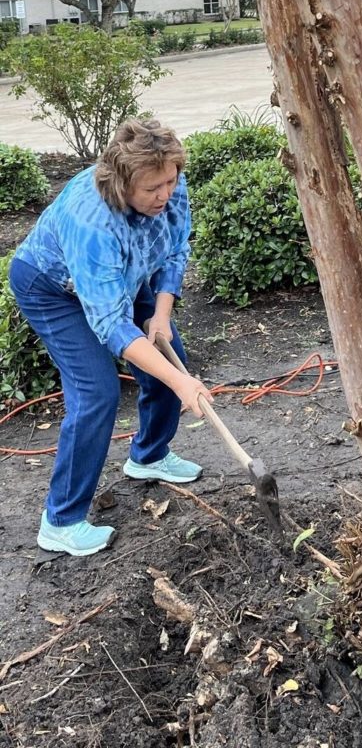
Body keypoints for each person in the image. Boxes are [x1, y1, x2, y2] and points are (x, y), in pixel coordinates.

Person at [9, 118, 214, 557]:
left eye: (170, 182)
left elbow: (175, 248)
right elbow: (110, 324)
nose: (165, 194)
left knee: (167, 356)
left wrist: (161, 314)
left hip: (126, 273)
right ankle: (61, 521)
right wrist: (182, 383)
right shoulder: (93, 223)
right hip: (52, 288)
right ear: (123, 185)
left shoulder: (167, 182)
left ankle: (149, 456)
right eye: (152, 189)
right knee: (96, 391)